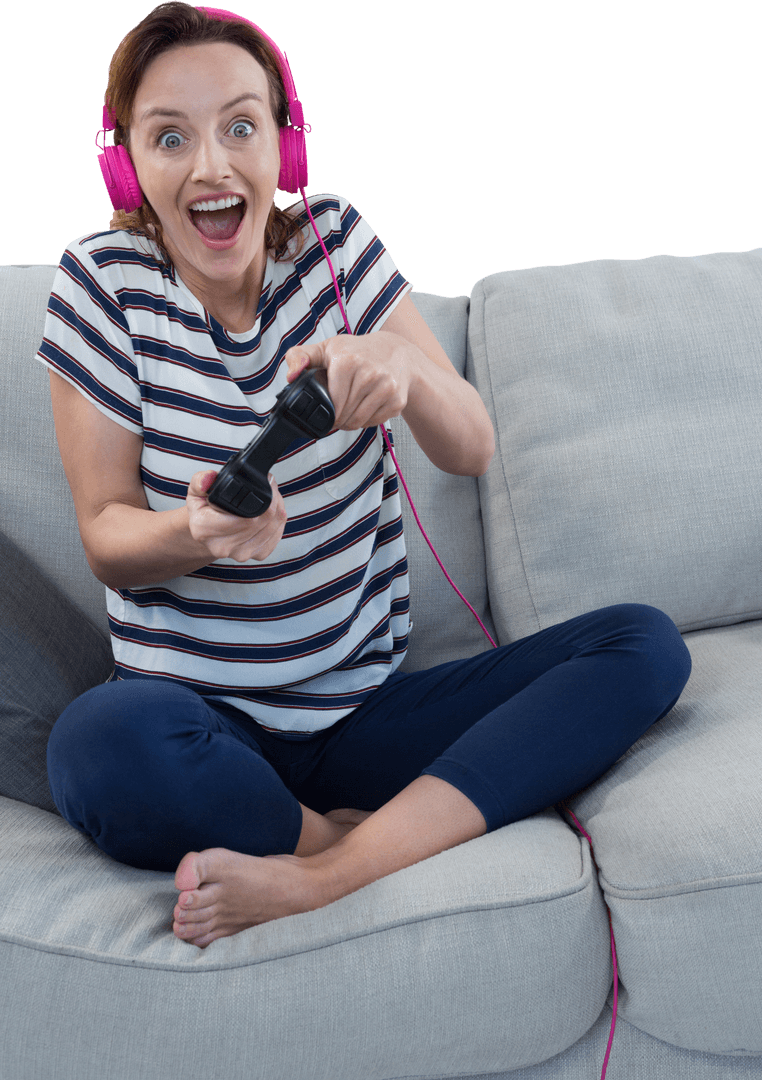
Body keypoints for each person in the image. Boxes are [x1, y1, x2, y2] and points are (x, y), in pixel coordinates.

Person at [37, 2, 692, 949]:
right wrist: (193, 534)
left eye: (240, 126)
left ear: (285, 146)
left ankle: (327, 875)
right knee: (97, 747)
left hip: (365, 718)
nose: (211, 166)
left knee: (643, 646)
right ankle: (326, 835)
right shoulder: (100, 285)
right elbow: (106, 533)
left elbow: (469, 445)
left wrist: (407, 373)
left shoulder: (338, 247)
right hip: (199, 728)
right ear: (125, 163)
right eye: (169, 137)